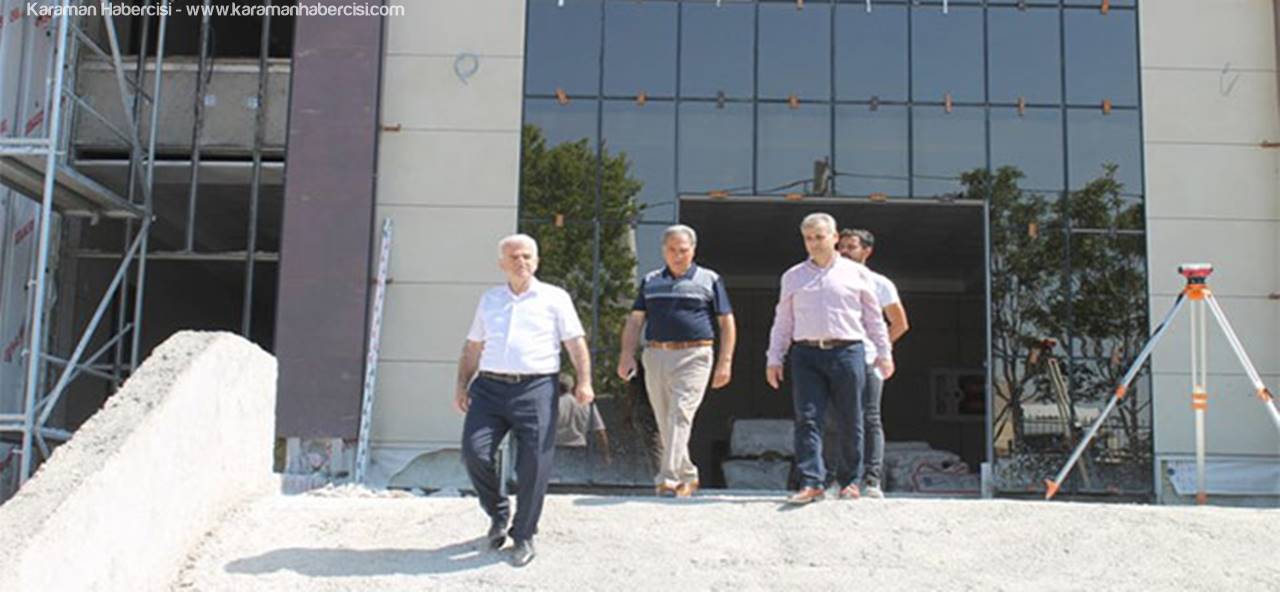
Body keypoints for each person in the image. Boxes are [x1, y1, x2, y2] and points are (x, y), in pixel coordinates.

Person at [455, 233, 594, 567]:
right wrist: (461, 384)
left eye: (527, 256)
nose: (521, 262)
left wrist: (585, 381)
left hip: (536, 389)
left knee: (534, 464)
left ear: (537, 261)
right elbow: (473, 346)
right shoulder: (490, 299)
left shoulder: (555, 298)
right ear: (501, 263)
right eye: (514, 257)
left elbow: (575, 343)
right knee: (474, 452)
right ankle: (498, 512)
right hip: (489, 388)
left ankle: (523, 535)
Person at [766, 213, 894, 504]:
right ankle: (812, 481)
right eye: (808, 238)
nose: (814, 243)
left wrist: (884, 353)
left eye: (820, 237)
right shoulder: (793, 276)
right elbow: (783, 320)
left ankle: (850, 481)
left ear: (835, 238)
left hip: (847, 351)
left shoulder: (857, 274)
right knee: (808, 418)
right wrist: (774, 357)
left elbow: (874, 318)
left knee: (851, 418)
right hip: (806, 353)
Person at [618, 224, 736, 498]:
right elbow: (635, 321)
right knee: (665, 419)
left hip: (695, 355)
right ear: (664, 251)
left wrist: (725, 361)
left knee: (680, 414)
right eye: (672, 250)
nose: (678, 255)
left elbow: (727, 322)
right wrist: (626, 354)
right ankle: (688, 475)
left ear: (693, 250)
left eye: (683, 250)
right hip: (655, 354)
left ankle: (668, 478)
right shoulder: (651, 281)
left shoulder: (709, 279)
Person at [837, 228, 910, 499]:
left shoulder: (880, 283)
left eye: (851, 247)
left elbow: (900, 323)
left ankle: (871, 479)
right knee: (841, 419)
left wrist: (881, 348)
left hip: (869, 359)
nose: (844, 252)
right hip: (839, 359)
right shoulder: (830, 281)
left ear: (867, 251)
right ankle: (844, 479)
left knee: (870, 417)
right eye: (841, 246)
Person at [555, 374, 611, 465]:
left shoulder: (552, 405)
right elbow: (600, 432)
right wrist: (606, 455)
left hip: (557, 448)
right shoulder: (586, 404)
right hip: (579, 449)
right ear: (572, 387)